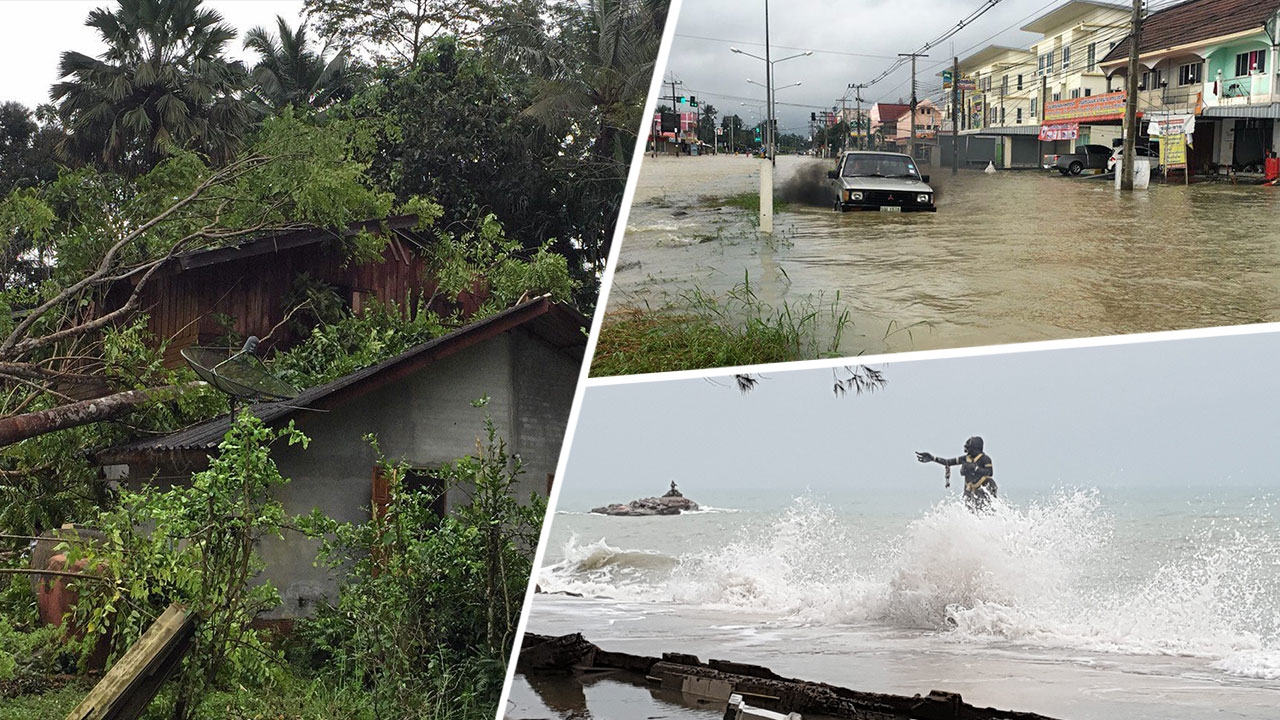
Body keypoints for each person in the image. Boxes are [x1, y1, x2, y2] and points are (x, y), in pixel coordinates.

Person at [916, 436, 997, 510]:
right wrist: (932, 458)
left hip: (982, 488)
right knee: (969, 510)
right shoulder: (965, 459)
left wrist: (975, 468)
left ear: (975, 448)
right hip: (969, 490)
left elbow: (989, 472)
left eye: (969, 448)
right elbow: (947, 462)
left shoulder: (985, 459)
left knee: (984, 509)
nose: (967, 451)